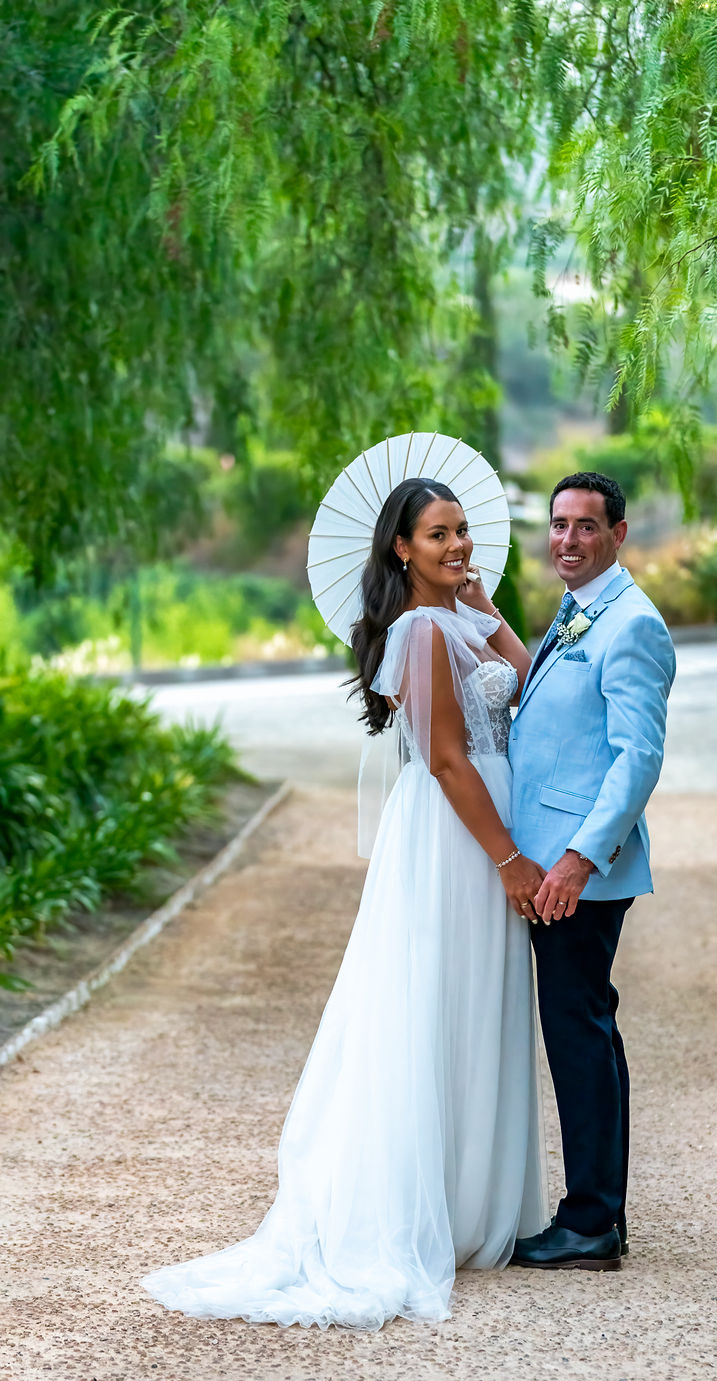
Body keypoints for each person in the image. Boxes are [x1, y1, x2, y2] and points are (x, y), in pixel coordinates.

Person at [142, 477, 549, 1330]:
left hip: (483, 825)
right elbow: (445, 760)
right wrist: (510, 860)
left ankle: (472, 1205)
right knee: (438, 1003)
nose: (458, 545)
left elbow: (531, 681)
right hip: (457, 838)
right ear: (402, 548)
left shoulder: (463, 619)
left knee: (481, 1005)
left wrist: (489, 604)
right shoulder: (418, 632)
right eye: (439, 535)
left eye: (464, 530)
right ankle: (426, 1208)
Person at [508, 471, 676, 1272]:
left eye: (584, 526)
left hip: (578, 871)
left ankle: (589, 1223)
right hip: (552, 863)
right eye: (558, 524)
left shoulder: (631, 624)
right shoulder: (578, 614)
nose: (567, 540)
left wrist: (578, 858)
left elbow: (637, 758)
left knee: (578, 1034)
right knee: (586, 1030)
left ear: (619, 533)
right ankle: (597, 1214)